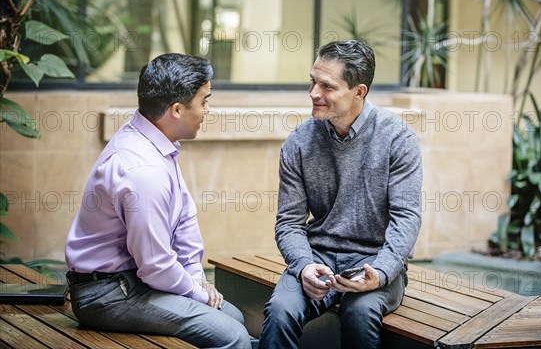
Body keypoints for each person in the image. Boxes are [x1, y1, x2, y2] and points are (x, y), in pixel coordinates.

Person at [65, 53, 252, 349]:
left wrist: (196, 278)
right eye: (204, 100)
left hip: (134, 281)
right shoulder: (143, 170)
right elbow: (155, 265)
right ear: (177, 109)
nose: (207, 110)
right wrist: (199, 293)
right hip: (108, 294)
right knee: (232, 336)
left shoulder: (153, 141)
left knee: (233, 317)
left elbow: (184, 221)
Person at [258, 40, 423, 349]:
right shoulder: (299, 142)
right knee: (281, 311)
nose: (313, 93)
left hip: (376, 261)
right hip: (318, 257)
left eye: (327, 86)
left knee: (359, 314)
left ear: (358, 92)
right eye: (312, 81)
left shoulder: (398, 139)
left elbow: (407, 218)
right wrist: (304, 265)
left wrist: (382, 272)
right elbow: (289, 223)